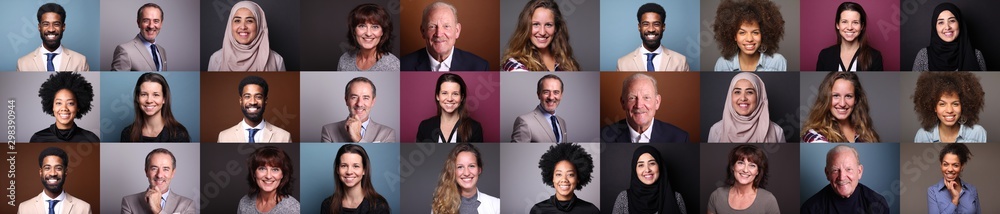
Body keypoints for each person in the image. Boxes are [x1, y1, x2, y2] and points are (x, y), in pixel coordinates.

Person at [400, 1, 489, 71]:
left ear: (457, 31)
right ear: (423, 31)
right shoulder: (402, 66)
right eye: (432, 26)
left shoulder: (479, 66)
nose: (439, 34)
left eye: (446, 26)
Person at [600, 74, 689, 143]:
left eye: (646, 97)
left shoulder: (679, 138)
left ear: (657, 102)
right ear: (623, 103)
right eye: (632, 98)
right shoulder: (601, 137)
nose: (639, 105)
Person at [801, 145, 888, 213]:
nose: (842, 177)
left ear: (859, 171)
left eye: (848, 169)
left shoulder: (877, 203)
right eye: (835, 170)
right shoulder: (810, 209)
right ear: (827, 173)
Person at [500, 0, 580, 71]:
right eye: (536, 24)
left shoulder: (568, 62)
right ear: (526, 27)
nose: (542, 32)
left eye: (548, 25)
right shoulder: (514, 64)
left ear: (556, 28)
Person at [801, 72, 880, 143]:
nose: (842, 104)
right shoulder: (814, 135)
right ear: (826, 99)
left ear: (856, 99)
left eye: (848, 96)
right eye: (836, 96)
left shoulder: (867, 133)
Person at [208, 1, 285, 71]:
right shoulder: (216, 59)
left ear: (259, 25)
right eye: (237, 21)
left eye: (249, 21)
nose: (243, 27)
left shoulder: (276, 60)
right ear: (230, 25)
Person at [708, 72, 784, 142]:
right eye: (737, 92)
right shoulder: (716, 130)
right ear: (730, 96)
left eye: (749, 92)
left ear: (759, 96)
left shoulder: (777, 132)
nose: (743, 98)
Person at [712, 0, 786, 71]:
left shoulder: (777, 62)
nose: (749, 39)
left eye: (755, 32)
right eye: (742, 32)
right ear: (734, 36)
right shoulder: (723, 64)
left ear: (763, 34)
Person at [912, 72, 986, 143]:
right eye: (942, 104)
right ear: (934, 107)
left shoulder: (977, 133)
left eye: (955, 104)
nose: (949, 110)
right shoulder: (923, 135)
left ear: (963, 105)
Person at [611, 145, 686, 214]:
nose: (647, 170)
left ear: (659, 166)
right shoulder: (623, 198)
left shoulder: (676, 198)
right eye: (641, 165)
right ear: (635, 170)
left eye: (652, 163)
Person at [912, 3, 986, 71]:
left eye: (952, 21)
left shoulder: (977, 55)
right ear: (935, 27)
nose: (947, 27)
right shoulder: (923, 55)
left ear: (959, 23)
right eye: (941, 22)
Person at [617, 3, 689, 71]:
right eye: (646, 24)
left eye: (656, 24)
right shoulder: (622, 63)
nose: (651, 29)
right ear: (639, 27)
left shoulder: (681, 61)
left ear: (663, 27)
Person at [706, 145, 779, 213]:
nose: (745, 170)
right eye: (741, 163)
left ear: (758, 171)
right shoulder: (717, 195)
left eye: (752, 165)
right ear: (732, 167)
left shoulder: (768, 200)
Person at [121, 148, 197, 214]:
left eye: (165, 169)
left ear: (173, 173)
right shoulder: (129, 202)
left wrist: (158, 210)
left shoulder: (187, 205)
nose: (159, 175)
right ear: (146, 171)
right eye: (154, 168)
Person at [17, 147, 92, 214]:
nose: (53, 173)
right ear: (41, 172)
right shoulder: (24, 208)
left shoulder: (84, 208)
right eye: (47, 168)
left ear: (65, 172)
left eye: (58, 168)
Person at [320, 144, 391, 214]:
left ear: (364, 170)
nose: (349, 172)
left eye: (356, 166)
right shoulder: (327, 205)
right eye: (344, 166)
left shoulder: (378, 206)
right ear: (337, 170)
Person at [29, 72, 100, 142]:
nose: (64, 108)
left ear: (78, 107)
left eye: (70, 103)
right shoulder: (38, 139)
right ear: (52, 106)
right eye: (59, 103)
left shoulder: (91, 139)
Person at [218, 76, 291, 143]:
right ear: (241, 100)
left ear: (265, 100)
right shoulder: (224, 137)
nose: (253, 102)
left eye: (258, 97)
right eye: (247, 96)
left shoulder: (284, 137)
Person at [322, 77, 396, 142]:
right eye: (354, 97)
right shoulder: (328, 131)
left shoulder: (387, 133)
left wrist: (358, 138)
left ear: (372, 102)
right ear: (346, 100)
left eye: (366, 98)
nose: (359, 104)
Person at [121, 72, 191, 142]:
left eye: (156, 95)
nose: (149, 100)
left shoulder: (179, 134)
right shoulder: (127, 133)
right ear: (137, 98)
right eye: (144, 94)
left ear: (164, 99)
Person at [530, 143, 599, 213]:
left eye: (570, 174)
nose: (564, 180)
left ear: (578, 178)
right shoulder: (538, 210)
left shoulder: (591, 210)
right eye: (559, 174)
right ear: (552, 178)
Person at [18, 3, 88, 72]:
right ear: (39, 27)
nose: (51, 29)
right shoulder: (22, 63)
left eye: (56, 24)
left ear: (63, 27)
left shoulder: (81, 61)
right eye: (46, 24)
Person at [431, 143, 499, 214]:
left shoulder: (497, 205)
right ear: (453, 171)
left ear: (479, 170)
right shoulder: (440, 205)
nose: (466, 173)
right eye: (460, 167)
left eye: (471, 166)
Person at [815, 2, 883, 71]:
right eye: (844, 22)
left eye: (855, 22)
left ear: (862, 26)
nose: (849, 27)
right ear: (837, 25)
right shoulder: (825, 55)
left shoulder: (875, 57)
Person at [416, 73, 484, 143]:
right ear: (437, 96)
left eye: (455, 94)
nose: (449, 99)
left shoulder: (475, 128)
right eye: (444, 93)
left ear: (462, 97)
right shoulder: (424, 126)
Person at [338, 3, 400, 71]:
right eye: (362, 26)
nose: (368, 33)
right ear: (354, 30)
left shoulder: (392, 65)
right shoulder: (344, 60)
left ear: (382, 32)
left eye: (375, 27)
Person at [239, 146, 300, 214]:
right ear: (254, 173)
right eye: (262, 169)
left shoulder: (292, 208)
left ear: (282, 174)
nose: (268, 176)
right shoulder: (244, 202)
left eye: (275, 169)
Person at [512, 74, 567, 142]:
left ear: (561, 95)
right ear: (538, 94)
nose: (551, 97)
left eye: (556, 92)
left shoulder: (562, 122)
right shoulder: (524, 121)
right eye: (546, 92)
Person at [112, 3, 167, 71]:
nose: (151, 26)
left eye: (156, 21)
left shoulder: (162, 51)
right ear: (138, 23)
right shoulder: (124, 50)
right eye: (146, 21)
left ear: (161, 24)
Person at [927, 143, 980, 214]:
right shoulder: (933, 191)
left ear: (962, 166)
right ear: (941, 165)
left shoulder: (972, 190)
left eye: (955, 165)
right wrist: (954, 201)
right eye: (945, 164)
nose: (950, 169)